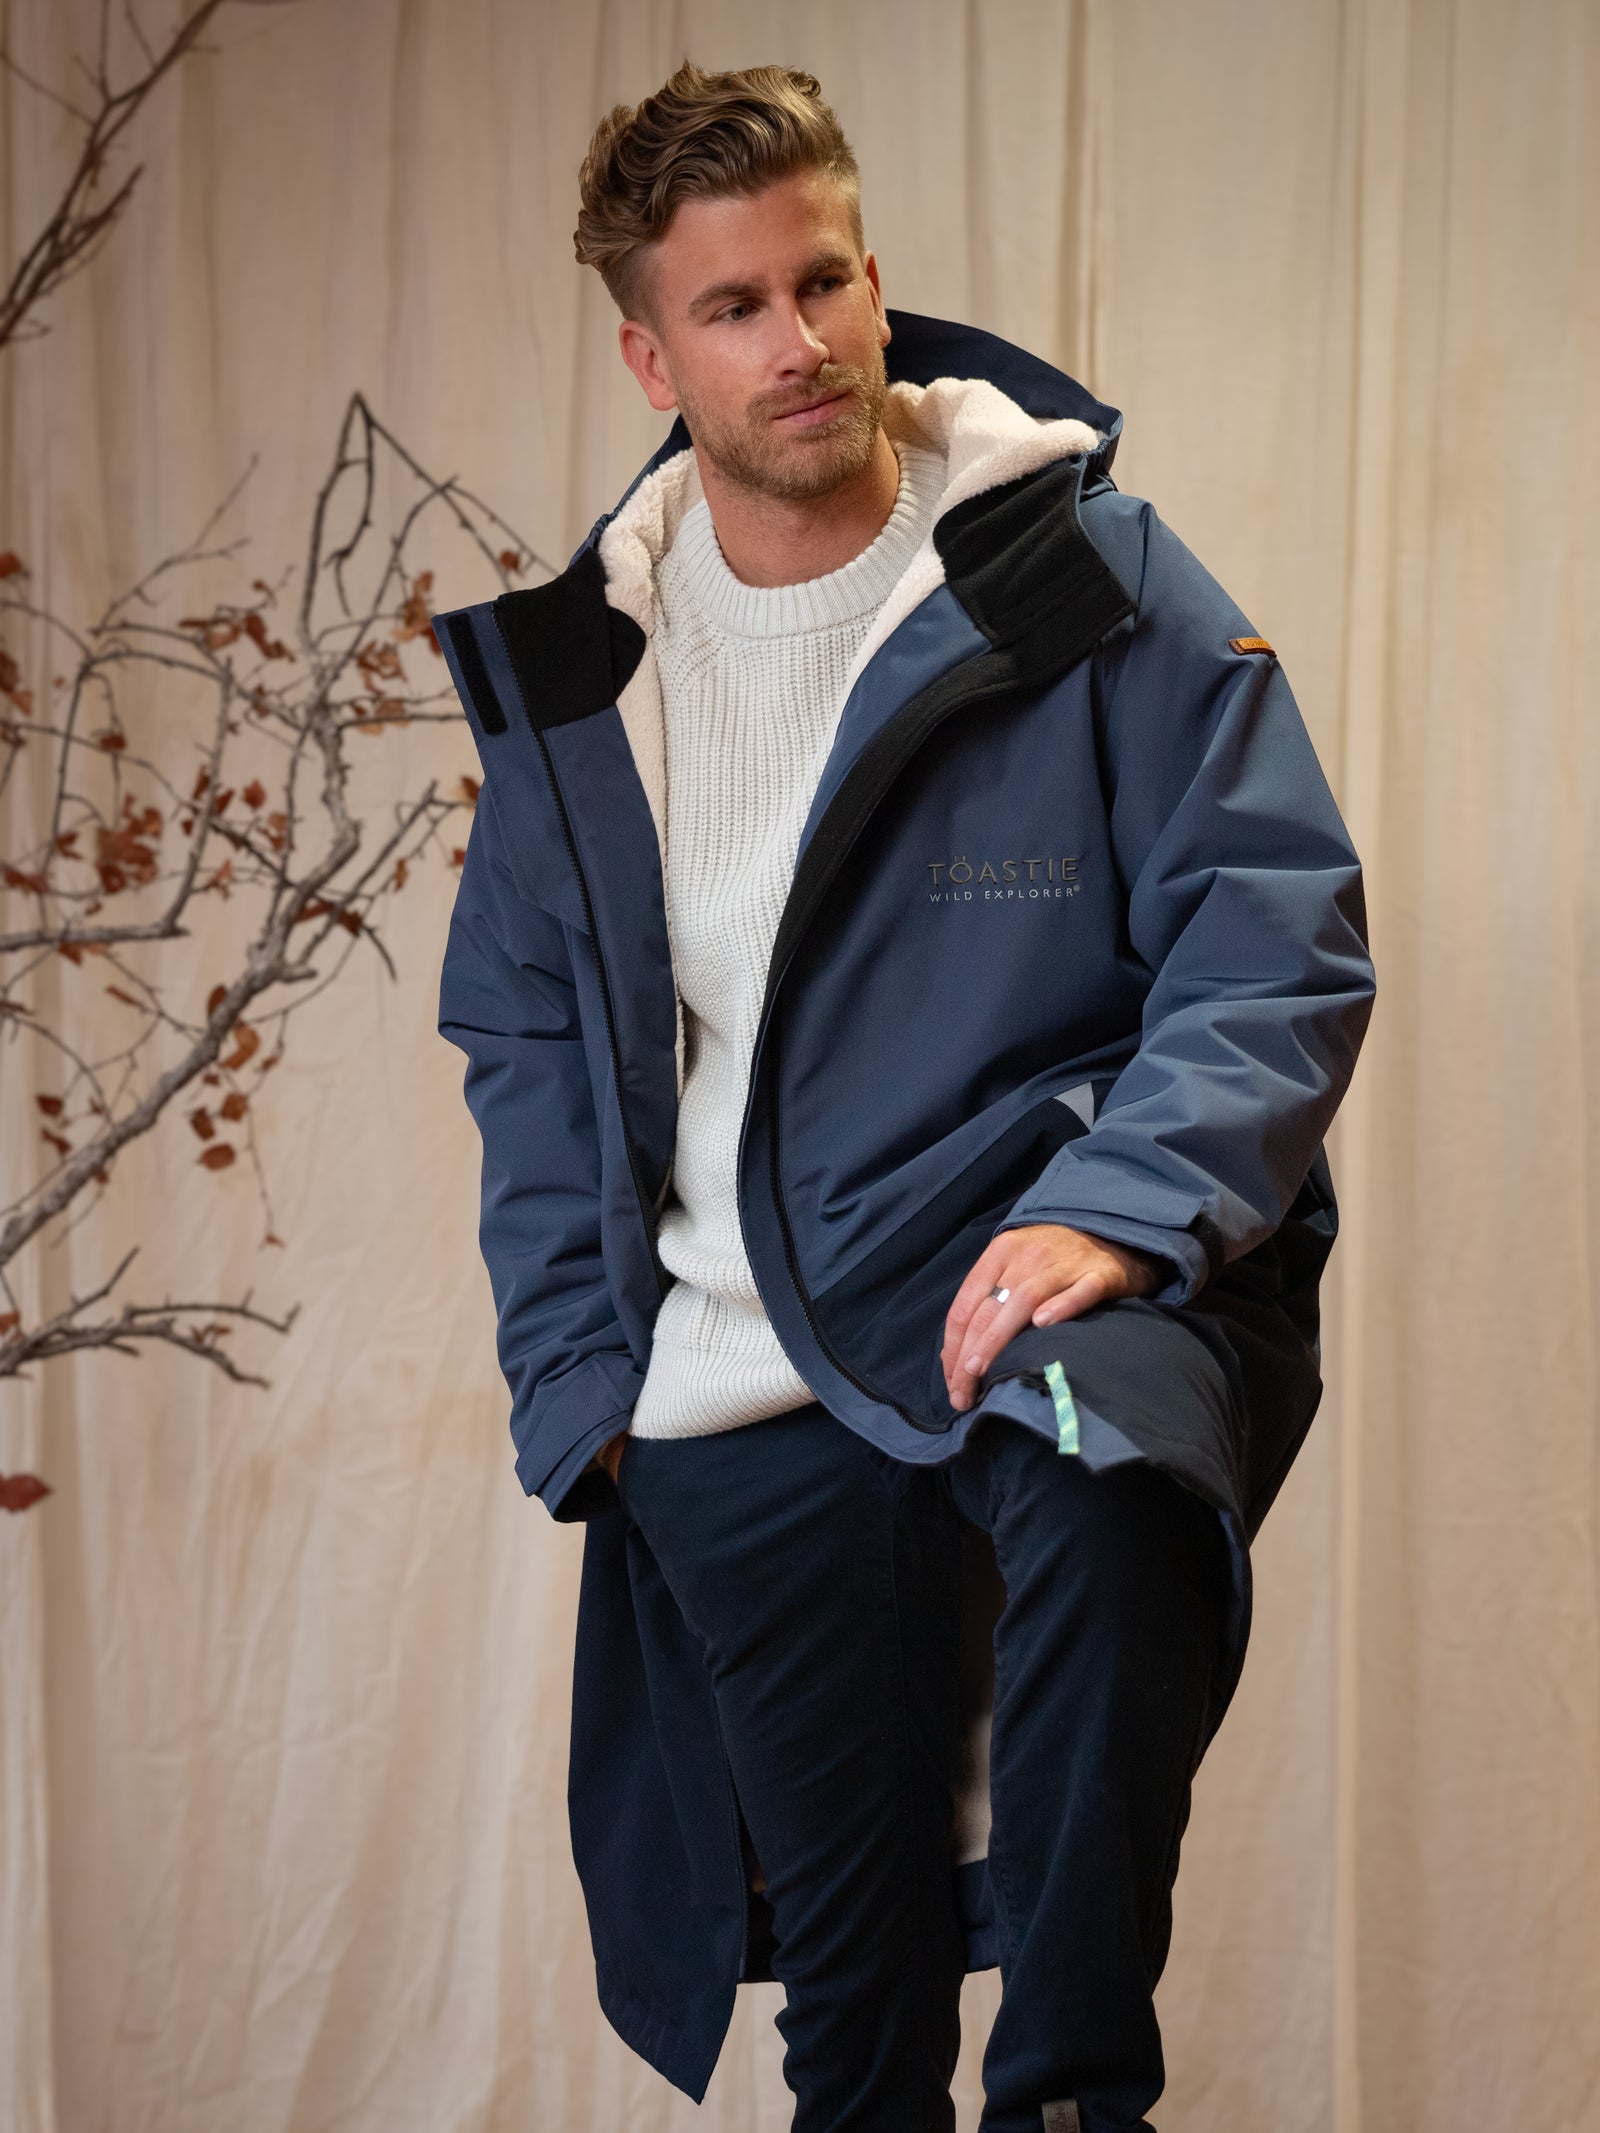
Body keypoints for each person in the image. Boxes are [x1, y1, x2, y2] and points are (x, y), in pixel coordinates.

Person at [433, 61, 1374, 2133]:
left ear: (874, 277)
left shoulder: (1072, 570)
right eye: (734, 306)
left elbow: (1271, 921)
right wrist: (583, 1388)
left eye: (824, 280)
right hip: (732, 1379)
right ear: (650, 355)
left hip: (1031, 1277)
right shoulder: (586, 687)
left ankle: (1073, 2095)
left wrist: (1121, 1204)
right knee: (852, 2027)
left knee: (1111, 1475)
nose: (800, 341)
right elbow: (524, 1045)